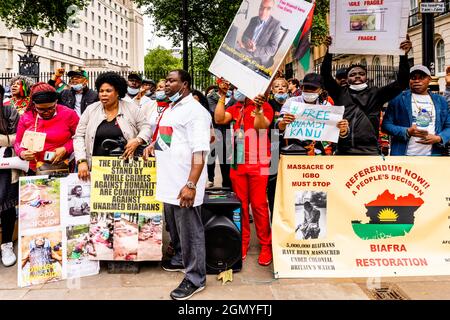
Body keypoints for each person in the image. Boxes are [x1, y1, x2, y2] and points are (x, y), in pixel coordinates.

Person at [143, 69, 211, 300]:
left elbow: (200, 151)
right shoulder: (172, 109)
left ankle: (195, 278)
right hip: (169, 183)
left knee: (191, 232)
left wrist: (191, 184)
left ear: (185, 84)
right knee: (177, 230)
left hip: (184, 184)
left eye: (171, 81)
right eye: (165, 81)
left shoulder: (196, 112)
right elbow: (170, 137)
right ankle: (182, 259)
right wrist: (154, 146)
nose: (166, 85)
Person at [320, 35, 412, 155]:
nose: (357, 76)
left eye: (361, 73)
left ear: (366, 77)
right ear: (347, 79)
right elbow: (325, 75)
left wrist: (403, 55)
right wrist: (329, 51)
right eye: (353, 74)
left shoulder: (377, 94)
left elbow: (402, 82)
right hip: (343, 150)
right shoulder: (339, 93)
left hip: (370, 151)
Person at [214, 86, 274, 266]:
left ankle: (266, 245)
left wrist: (258, 108)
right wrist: (223, 96)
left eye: (241, 87)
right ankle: (242, 241)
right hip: (238, 162)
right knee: (240, 205)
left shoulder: (266, 107)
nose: (238, 90)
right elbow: (218, 118)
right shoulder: (235, 107)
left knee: (259, 205)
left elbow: (261, 127)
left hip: (259, 162)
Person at [74, 72, 151, 181]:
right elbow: (79, 136)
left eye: (108, 91)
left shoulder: (131, 108)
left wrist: (138, 140)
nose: (103, 94)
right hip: (96, 169)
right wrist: (81, 161)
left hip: (124, 169)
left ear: (118, 92)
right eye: (101, 91)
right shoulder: (91, 109)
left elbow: (146, 127)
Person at [382, 65, 450, 156]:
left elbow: (448, 126)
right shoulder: (398, 99)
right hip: (403, 156)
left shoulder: (440, 101)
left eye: (421, 77)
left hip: (433, 156)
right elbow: (386, 125)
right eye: (413, 78)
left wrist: (439, 138)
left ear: (429, 79)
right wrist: (406, 131)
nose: (417, 81)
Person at [14, 83, 79, 173]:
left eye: (51, 108)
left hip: (63, 166)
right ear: (34, 105)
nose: (46, 112)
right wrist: (22, 153)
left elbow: (80, 137)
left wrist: (66, 148)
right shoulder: (26, 117)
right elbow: (18, 142)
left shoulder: (69, 114)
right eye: (40, 109)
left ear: (56, 102)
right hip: (34, 169)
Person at [277, 73, 349, 154]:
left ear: (321, 90)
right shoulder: (291, 102)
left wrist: (343, 129)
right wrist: (283, 123)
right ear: (301, 87)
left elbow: (335, 133)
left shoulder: (326, 106)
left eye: (313, 88)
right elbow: (277, 127)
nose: (309, 90)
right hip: (294, 150)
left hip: (318, 152)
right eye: (306, 87)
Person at [0, 84, 20, 267]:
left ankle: (6, 243)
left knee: (6, 204)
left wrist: (2, 140)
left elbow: (19, 136)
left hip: (5, 166)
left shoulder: (8, 111)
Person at [206, 78, 234, 188]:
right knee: (212, 157)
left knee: (227, 160)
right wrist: (226, 108)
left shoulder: (235, 97)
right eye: (223, 81)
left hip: (230, 132)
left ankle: (227, 184)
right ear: (218, 83)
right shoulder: (211, 98)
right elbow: (216, 114)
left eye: (228, 81)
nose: (226, 83)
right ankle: (211, 178)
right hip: (216, 131)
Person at [267, 77, 289, 216]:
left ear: (288, 89)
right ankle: (275, 216)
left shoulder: (294, 105)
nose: (280, 88)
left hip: (291, 150)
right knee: (273, 184)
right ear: (272, 90)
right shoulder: (268, 105)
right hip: (273, 149)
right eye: (276, 86)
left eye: (283, 86)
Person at [239, 0, 282, 68]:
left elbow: (273, 49)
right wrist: (247, 42)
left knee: (240, 63)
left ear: (272, 10)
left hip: (259, 58)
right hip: (246, 50)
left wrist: (255, 49)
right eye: (261, 7)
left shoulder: (276, 25)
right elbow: (244, 36)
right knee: (231, 52)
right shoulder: (253, 19)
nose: (263, 11)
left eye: (268, 8)